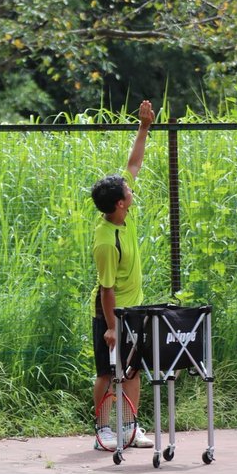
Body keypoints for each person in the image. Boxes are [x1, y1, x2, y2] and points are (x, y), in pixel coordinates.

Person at [89, 99, 157, 451]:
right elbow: (106, 287)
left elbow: (134, 163)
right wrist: (112, 326)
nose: (132, 191)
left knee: (132, 371)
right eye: (128, 191)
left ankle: (131, 428)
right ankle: (103, 431)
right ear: (119, 203)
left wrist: (144, 127)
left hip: (135, 310)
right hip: (111, 313)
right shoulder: (105, 241)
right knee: (106, 373)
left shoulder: (122, 213)